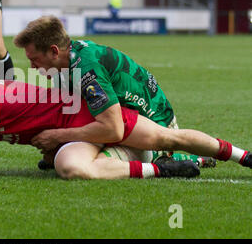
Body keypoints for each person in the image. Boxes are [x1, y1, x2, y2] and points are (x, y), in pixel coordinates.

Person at [0, 60, 251, 180]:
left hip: (89, 116)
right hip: (73, 137)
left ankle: (242, 156)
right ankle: (167, 168)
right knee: (70, 168)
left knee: (168, 138)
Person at [13, 15, 251, 169]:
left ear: (54, 51)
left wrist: (59, 137)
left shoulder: (86, 68)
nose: (32, 67)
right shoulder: (67, 61)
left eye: (35, 60)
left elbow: (112, 128)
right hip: (125, 117)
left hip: (153, 121)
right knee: (68, 156)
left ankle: (181, 159)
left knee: (92, 163)